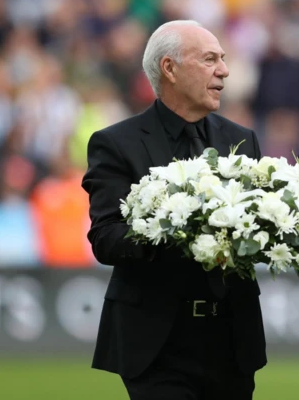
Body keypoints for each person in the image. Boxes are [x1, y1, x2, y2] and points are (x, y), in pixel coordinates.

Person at [82, 20, 266, 400]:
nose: (224, 70)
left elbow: (258, 232)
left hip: (232, 339)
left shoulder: (242, 139)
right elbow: (105, 238)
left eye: (223, 59)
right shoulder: (115, 143)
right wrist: (174, 230)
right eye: (210, 59)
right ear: (170, 68)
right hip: (155, 343)